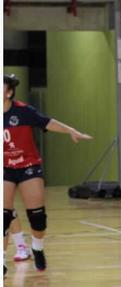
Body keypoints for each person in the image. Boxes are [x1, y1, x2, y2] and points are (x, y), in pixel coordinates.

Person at [3, 74, 93, 276]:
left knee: (37, 217)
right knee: (4, 215)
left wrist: (71, 130)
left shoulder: (23, 111)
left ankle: (37, 247)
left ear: (8, 93)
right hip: (5, 168)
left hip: (28, 166)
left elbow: (47, 122)